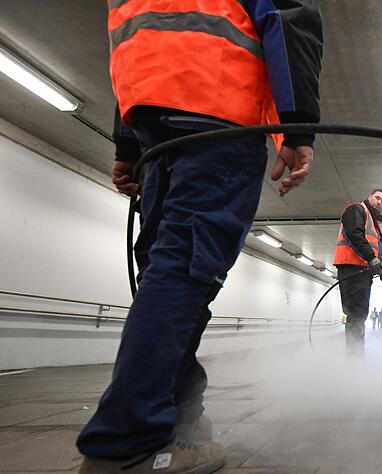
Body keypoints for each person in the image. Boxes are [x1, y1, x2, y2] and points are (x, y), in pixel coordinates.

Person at [76, 1, 323, 473]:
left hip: (151, 115)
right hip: (218, 105)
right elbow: (287, 17)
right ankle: (129, 441)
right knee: (185, 267)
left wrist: (127, 139)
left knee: (168, 268)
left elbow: (139, 31)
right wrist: (296, 126)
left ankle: (181, 417)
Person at [333, 189, 382, 356]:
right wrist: (371, 258)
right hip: (352, 268)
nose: (379, 202)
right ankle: (354, 359)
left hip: (363, 270)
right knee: (356, 314)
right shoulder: (357, 209)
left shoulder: (374, 223)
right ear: (370, 197)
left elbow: (375, 251)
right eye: (377, 198)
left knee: (360, 314)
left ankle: (356, 357)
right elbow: (355, 234)